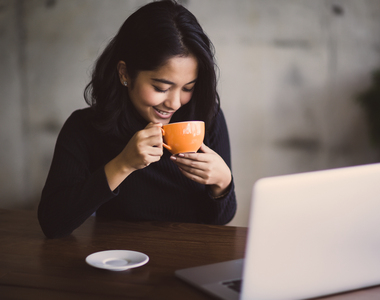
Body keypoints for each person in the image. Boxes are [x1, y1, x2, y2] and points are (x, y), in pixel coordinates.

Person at [38, 0, 236, 238]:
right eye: (161, 87)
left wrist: (222, 183)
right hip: (118, 262)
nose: (174, 103)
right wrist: (123, 164)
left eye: (187, 87)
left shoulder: (206, 118)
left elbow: (221, 221)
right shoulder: (85, 128)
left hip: (188, 263)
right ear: (124, 73)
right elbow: (52, 223)